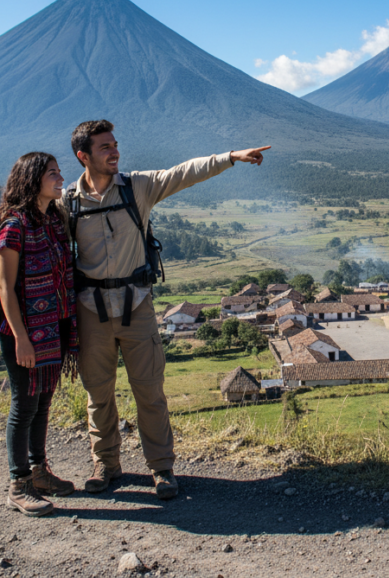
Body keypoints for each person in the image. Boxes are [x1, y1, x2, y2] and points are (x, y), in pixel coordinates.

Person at [63, 120, 269, 499]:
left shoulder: (137, 186)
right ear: (83, 156)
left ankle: (161, 468)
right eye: (105, 147)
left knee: (150, 392)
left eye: (115, 144)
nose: (115, 151)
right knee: (98, 393)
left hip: (137, 306)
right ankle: (105, 465)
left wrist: (230, 157)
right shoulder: (68, 203)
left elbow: (183, 173)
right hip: (91, 311)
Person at [0, 152, 80, 516]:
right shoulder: (13, 227)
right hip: (25, 332)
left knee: (43, 401)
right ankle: (18, 484)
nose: (60, 179)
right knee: (24, 404)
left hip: (53, 328)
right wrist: (21, 337)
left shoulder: (53, 220)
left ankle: (39, 472)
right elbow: (5, 288)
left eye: (59, 172)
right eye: (52, 174)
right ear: (32, 180)